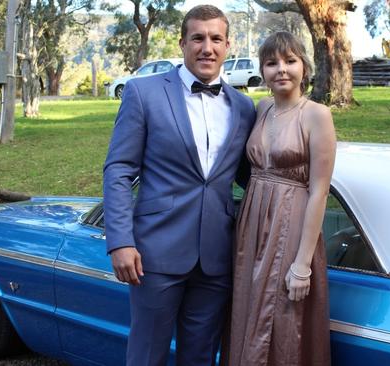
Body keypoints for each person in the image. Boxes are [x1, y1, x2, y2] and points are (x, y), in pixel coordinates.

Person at [102, 5, 256, 366]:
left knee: (201, 357)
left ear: (227, 45)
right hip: (154, 253)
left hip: (216, 255)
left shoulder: (244, 107)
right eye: (198, 38)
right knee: (147, 355)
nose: (207, 47)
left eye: (216, 39)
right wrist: (121, 242)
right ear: (183, 42)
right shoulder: (144, 93)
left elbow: (249, 177)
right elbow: (119, 170)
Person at [225, 31, 336, 366]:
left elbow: (319, 190)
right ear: (262, 70)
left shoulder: (318, 115)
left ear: (304, 65)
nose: (281, 70)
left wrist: (302, 265)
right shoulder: (261, 109)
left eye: (290, 60)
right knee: (249, 307)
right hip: (252, 225)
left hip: (292, 224)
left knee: (284, 315)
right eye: (272, 63)